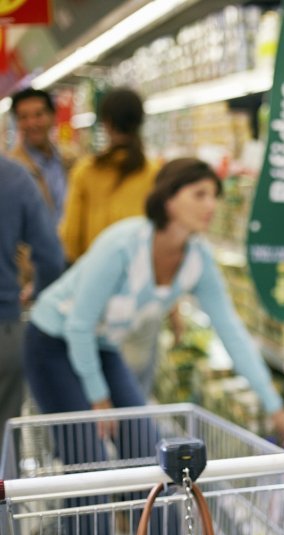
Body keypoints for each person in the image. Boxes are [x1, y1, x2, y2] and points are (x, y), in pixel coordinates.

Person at [23, 157, 284, 535]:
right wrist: (99, 399)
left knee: (155, 454)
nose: (211, 205)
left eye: (214, 196)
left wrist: (274, 406)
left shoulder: (197, 262)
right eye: (200, 194)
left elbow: (232, 333)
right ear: (169, 199)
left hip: (100, 346)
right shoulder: (123, 244)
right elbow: (79, 324)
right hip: (52, 343)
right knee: (89, 466)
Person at [59, 87, 164, 394]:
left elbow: (71, 239)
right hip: (142, 297)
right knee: (136, 392)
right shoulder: (153, 173)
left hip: (95, 295)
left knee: (95, 387)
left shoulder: (86, 172)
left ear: (105, 123)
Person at [0, 155, 64, 437]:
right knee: (4, 447)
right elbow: (50, 256)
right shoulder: (14, 177)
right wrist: (35, 291)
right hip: (4, 327)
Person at [10, 87, 76, 223]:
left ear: (52, 117)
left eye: (38, 115)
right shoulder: (11, 170)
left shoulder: (72, 159)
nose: (31, 123)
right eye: (23, 117)